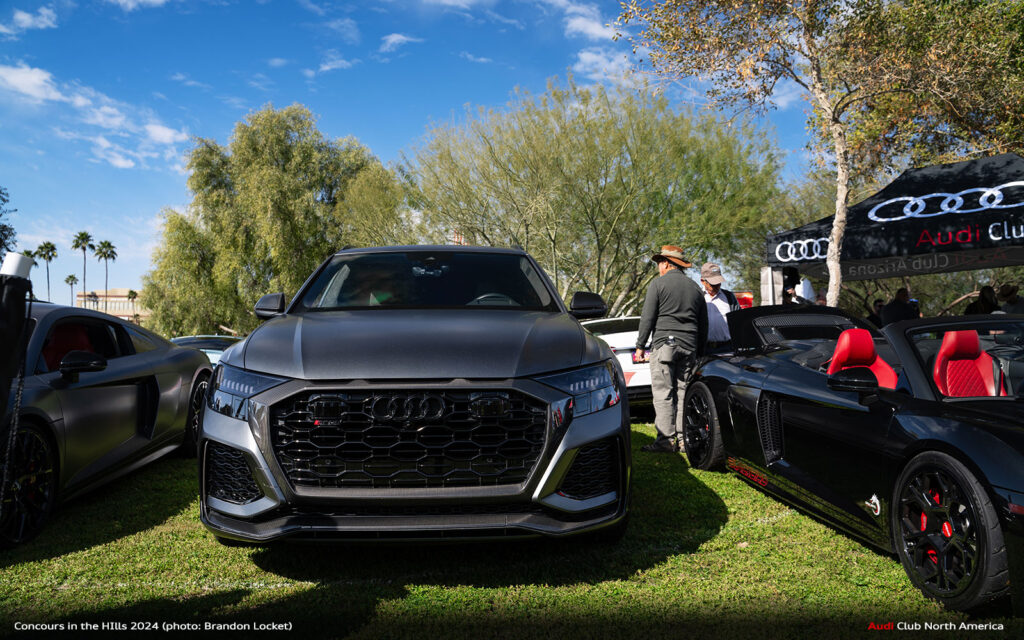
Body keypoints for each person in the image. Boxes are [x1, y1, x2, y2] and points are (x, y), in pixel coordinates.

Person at [634, 245, 708, 453]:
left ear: (666, 263)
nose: (658, 267)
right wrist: (700, 352)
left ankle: (665, 442)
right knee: (683, 393)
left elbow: (647, 317)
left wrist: (640, 346)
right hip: (689, 346)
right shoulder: (695, 288)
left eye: (659, 263)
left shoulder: (658, 284)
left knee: (663, 393)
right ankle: (684, 440)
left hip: (665, 344)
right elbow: (704, 324)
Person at [700, 262, 740, 352]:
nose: (716, 286)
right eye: (712, 284)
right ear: (702, 281)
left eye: (718, 283)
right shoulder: (697, 297)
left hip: (727, 348)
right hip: (703, 349)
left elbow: (738, 322)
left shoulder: (729, 297)